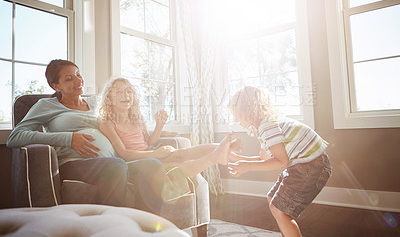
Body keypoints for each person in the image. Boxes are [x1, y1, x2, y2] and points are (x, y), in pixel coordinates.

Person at [6, 59, 169, 212]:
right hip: (75, 164)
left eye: (78, 74)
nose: (78, 81)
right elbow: (15, 137)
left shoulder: (95, 102)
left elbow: (126, 123)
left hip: (115, 160)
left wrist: (161, 129)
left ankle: (147, 228)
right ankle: (112, 230)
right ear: (56, 86)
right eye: (69, 78)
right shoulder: (46, 106)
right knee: (115, 166)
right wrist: (69, 139)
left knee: (152, 165)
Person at [227, 86, 332, 237]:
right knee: (272, 199)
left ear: (248, 110)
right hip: (305, 165)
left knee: (280, 210)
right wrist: (237, 158)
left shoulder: (267, 127)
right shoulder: (266, 125)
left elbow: (281, 162)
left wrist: (248, 166)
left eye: (237, 114)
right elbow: (264, 159)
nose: (235, 119)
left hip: (310, 166)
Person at [98, 77, 240, 178]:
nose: (126, 95)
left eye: (128, 91)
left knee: (181, 154)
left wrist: (159, 126)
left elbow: (149, 142)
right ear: (109, 98)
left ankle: (225, 147)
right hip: (135, 161)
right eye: (119, 92)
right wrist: (154, 154)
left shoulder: (136, 118)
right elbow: (123, 153)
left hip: (149, 152)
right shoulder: (107, 123)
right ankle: (215, 156)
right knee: (176, 167)